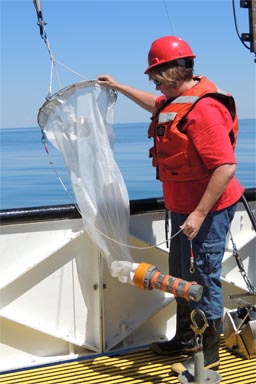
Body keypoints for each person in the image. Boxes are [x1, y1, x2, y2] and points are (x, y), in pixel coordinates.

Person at [97, 35, 244, 375]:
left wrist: (198, 214)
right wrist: (119, 86)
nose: (154, 83)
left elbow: (225, 166)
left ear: (175, 72)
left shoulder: (205, 109)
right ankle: (185, 339)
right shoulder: (175, 100)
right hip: (182, 207)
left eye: (157, 77)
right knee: (181, 274)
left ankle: (208, 361)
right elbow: (157, 105)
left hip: (206, 210)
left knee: (202, 279)